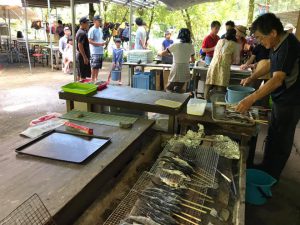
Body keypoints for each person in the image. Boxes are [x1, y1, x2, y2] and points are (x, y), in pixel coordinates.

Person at [236, 13, 300, 181]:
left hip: (291, 101)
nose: (259, 42)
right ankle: (266, 167)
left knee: (282, 137)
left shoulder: (288, 45)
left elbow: (278, 79)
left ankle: (272, 177)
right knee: (273, 133)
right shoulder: (277, 44)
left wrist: (251, 99)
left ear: (272, 32)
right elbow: (272, 64)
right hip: (281, 99)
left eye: (259, 37)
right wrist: (251, 78)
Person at [204, 29, 238, 100]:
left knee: (209, 83)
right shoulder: (234, 44)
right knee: (221, 85)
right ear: (234, 35)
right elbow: (235, 59)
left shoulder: (220, 41)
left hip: (213, 64)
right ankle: (218, 104)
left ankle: (205, 101)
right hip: (224, 66)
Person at [159, 28, 195, 93]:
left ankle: (167, 101)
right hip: (185, 68)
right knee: (179, 89)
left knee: (169, 88)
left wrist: (158, 53)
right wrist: (185, 60)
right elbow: (193, 60)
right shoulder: (191, 46)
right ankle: (177, 102)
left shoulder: (176, 45)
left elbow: (163, 53)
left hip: (176, 68)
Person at [88, 15, 106, 82]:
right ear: (94, 21)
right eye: (99, 21)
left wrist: (103, 42)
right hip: (94, 51)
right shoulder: (92, 30)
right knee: (94, 66)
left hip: (100, 50)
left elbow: (100, 39)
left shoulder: (100, 29)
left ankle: (96, 79)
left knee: (98, 66)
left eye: (101, 21)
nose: (100, 22)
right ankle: (92, 80)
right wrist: (99, 44)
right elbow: (89, 40)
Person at [76, 17, 91, 81]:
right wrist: (85, 57)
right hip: (82, 57)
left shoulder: (80, 32)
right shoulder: (82, 33)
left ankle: (77, 87)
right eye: (87, 23)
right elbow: (80, 45)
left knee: (80, 74)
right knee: (83, 75)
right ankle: (81, 89)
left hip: (80, 56)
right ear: (82, 23)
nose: (88, 24)